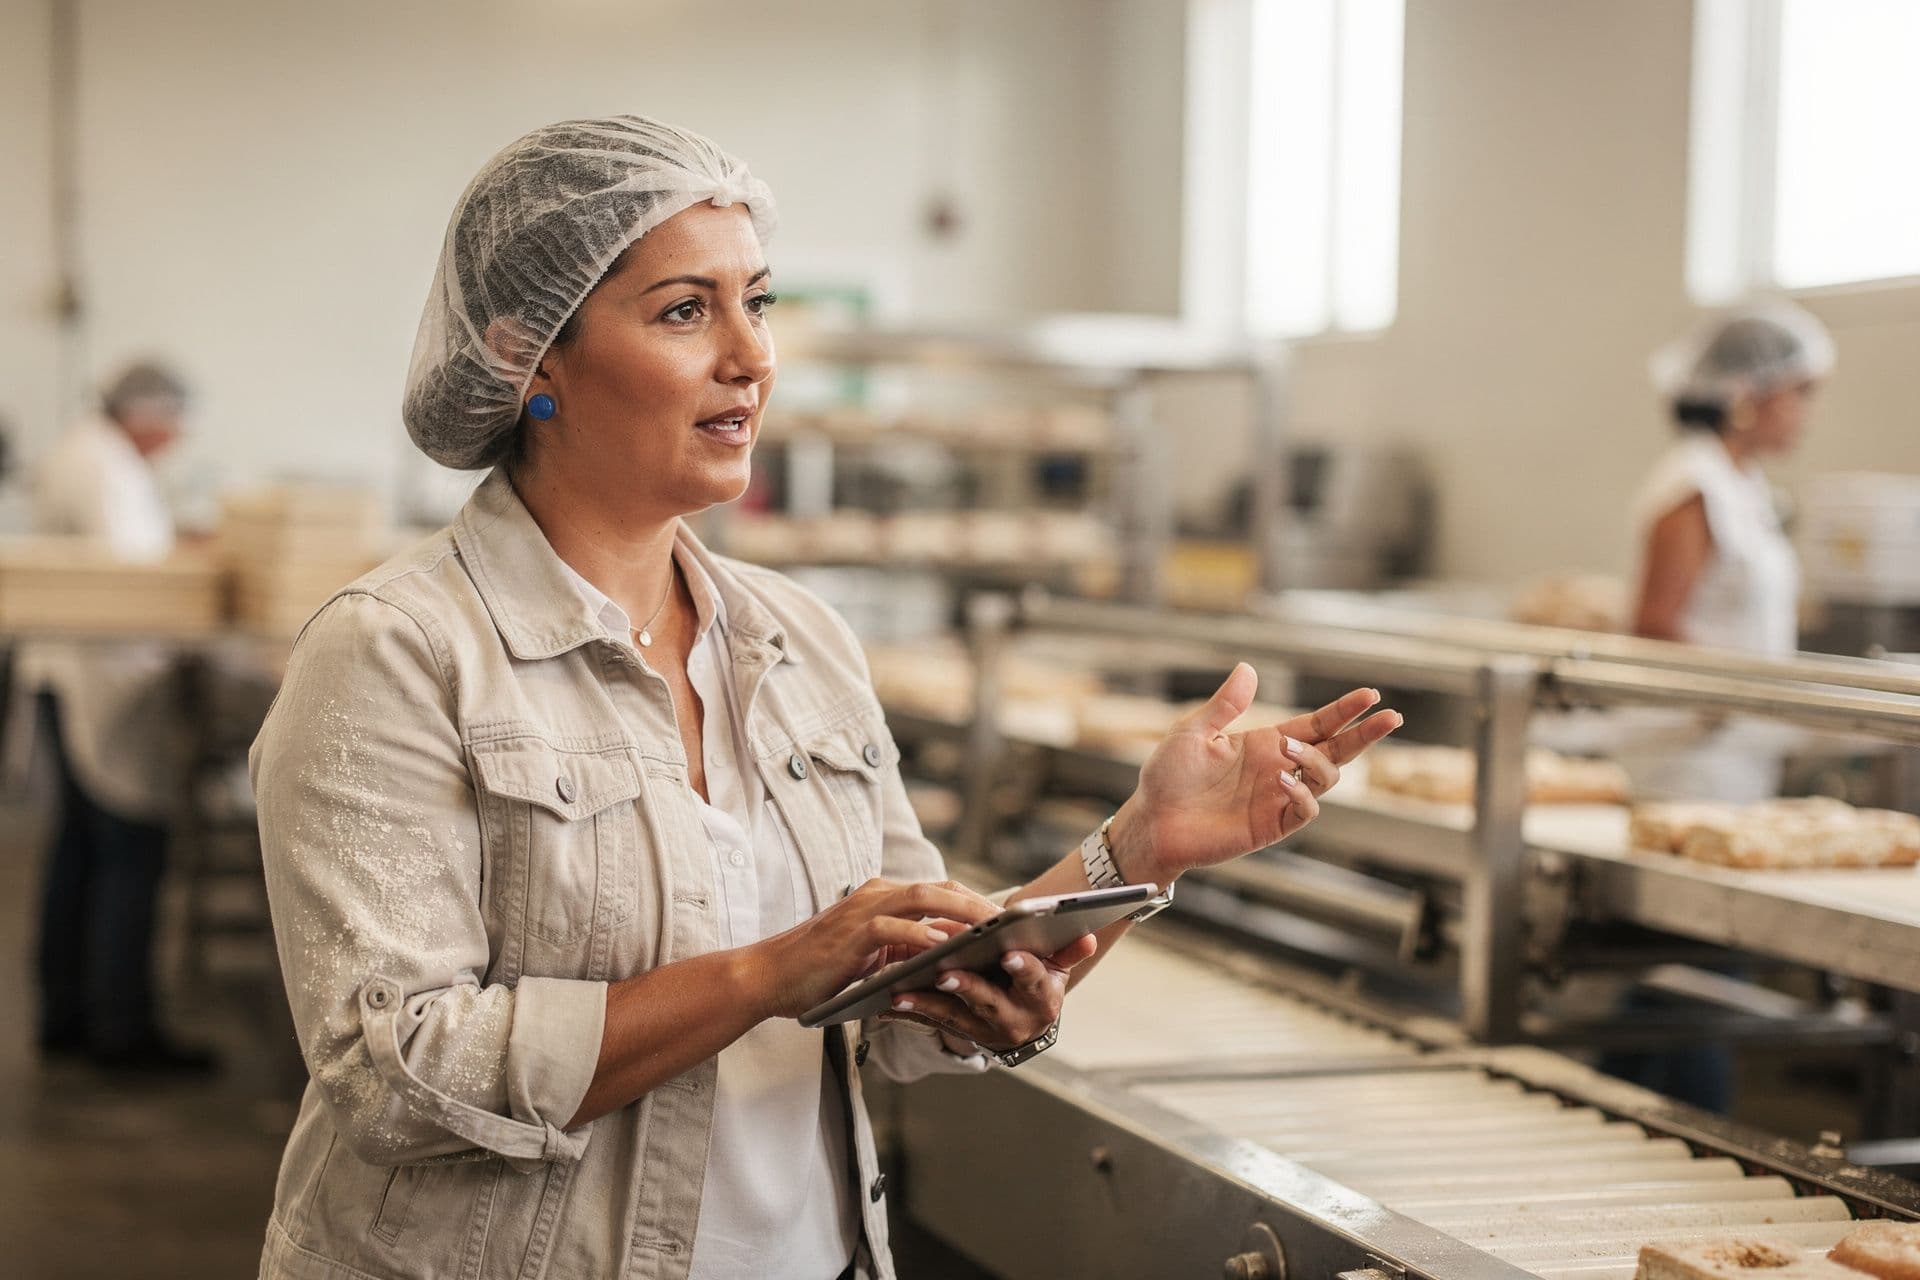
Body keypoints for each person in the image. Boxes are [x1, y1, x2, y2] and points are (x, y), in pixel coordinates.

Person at [250, 116, 1402, 1280]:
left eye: (759, 300)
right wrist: (768, 972)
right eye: (684, 310)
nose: (751, 356)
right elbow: (389, 1073)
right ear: (531, 353)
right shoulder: (397, 652)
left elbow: (897, 988)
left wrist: (1139, 842)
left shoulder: (798, 640)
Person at [23, 360, 214, 1071]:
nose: (177, 436)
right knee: (128, 852)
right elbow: (137, 580)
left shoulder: (87, 452)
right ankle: (122, 1034)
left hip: (72, 671)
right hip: (101, 675)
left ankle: (65, 1016)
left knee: (78, 851)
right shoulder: (105, 468)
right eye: (173, 420)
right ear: (145, 413)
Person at [1624, 300, 1834, 803]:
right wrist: (1749, 691)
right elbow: (1655, 625)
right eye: (1799, 392)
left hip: (1740, 746)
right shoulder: (1695, 485)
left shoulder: (1743, 483)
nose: (1807, 413)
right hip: (1691, 759)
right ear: (1747, 391)